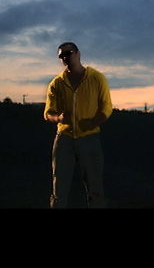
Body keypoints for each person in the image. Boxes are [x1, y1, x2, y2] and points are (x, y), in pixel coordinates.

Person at [44, 42, 113, 208]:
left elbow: (106, 107)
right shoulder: (56, 83)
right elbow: (48, 113)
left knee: (95, 188)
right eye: (61, 56)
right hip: (64, 139)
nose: (65, 58)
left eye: (68, 53)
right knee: (59, 188)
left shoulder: (96, 78)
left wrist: (93, 123)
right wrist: (59, 118)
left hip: (89, 139)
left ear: (78, 53)